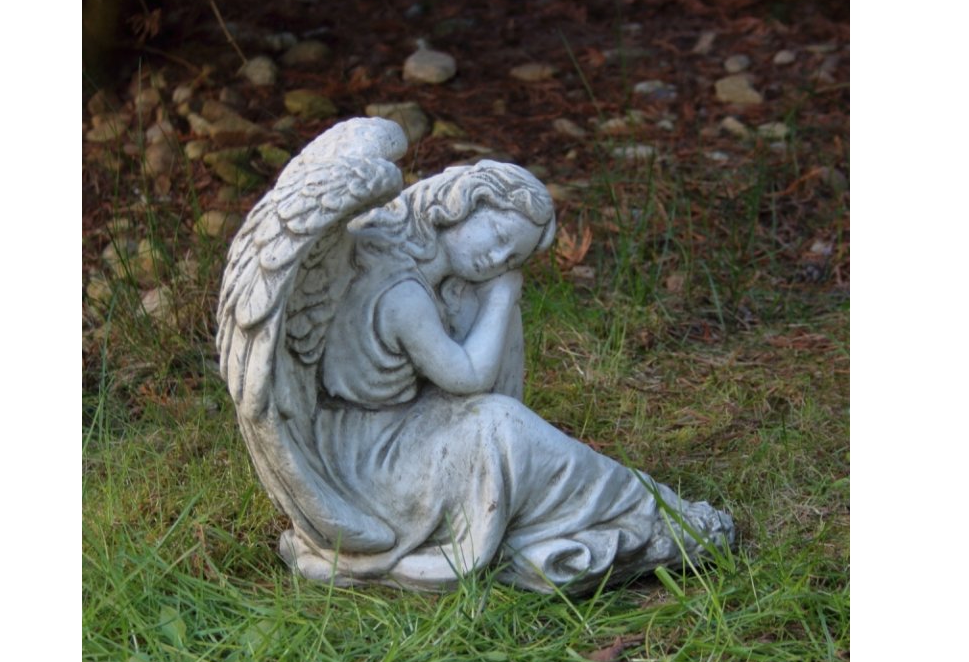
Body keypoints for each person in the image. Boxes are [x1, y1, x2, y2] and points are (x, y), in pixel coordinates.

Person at [276, 159, 735, 593]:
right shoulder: (403, 296)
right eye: (496, 236)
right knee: (501, 428)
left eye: (511, 257)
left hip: (367, 437)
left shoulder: (390, 254)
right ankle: (648, 512)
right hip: (374, 468)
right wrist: (500, 298)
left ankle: (634, 510)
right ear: (463, 205)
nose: (495, 258)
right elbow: (469, 378)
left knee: (505, 430)